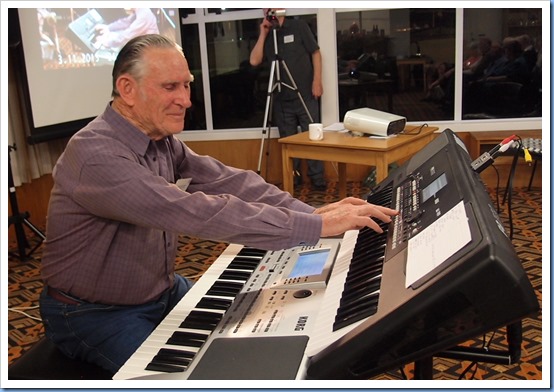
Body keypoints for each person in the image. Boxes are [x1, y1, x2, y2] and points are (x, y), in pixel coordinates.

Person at [39, 34, 398, 375]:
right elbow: (194, 211)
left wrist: (312, 212)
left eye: (186, 85)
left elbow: (230, 181)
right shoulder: (95, 155)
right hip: (93, 313)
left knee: (245, 339)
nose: (186, 100)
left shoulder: (159, 138)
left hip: (160, 290)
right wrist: (316, 228)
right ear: (127, 90)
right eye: (170, 87)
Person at [249, 9, 326, 190]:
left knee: (313, 137)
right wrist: (263, 33)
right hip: (282, 98)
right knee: (289, 141)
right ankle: (295, 178)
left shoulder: (298, 26)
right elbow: (254, 60)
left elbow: (315, 53)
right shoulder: (268, 34)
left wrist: (317, 81)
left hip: (305, 93)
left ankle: (318, 178)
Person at [93, 8, 159, 50]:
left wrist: (107, 42)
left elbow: (126, 36)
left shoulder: (144, 15)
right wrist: (108, 27)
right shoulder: (139, 10)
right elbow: (125, 22)